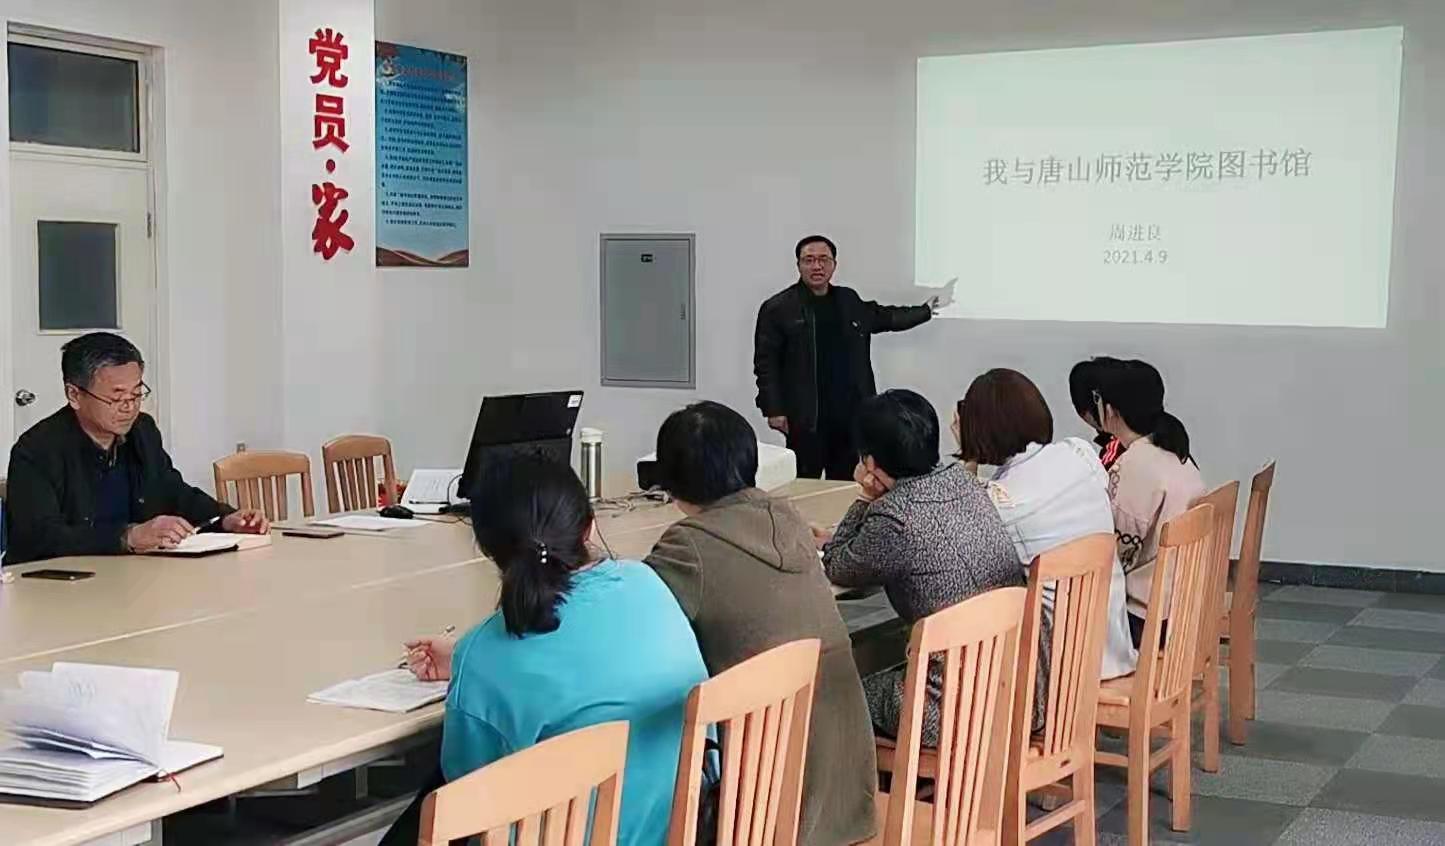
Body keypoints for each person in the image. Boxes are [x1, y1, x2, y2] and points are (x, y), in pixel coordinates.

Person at [396, 455, 707, 846]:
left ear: (486, 548)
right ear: (588, 526)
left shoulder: (485, 656)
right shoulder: (648, 585)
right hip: (675, 832)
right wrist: (467, 656)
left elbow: (466, 804)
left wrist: (470, 659)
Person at [645, 401, 878, 846]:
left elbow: (638, 617)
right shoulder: (787, 518)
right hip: (848, 797)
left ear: (671, 481)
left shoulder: (687, 547)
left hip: (768, 814)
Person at [820, 389, 1020, 744]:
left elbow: (836, 564)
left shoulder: (894, 516)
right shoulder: (961, 479)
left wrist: (865, 496)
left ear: (870, 461)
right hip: (1008, 686)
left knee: (828, 696)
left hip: (949, 709)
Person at [4, 332, 268, 564]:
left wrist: (226, 519)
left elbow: (174, 492)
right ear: (74, 395)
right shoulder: (37, 450)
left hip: (131, 575)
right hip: (57, 585)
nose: (129, 407)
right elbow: (40, 537)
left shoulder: (142, 430)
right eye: (117, 397)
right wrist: (128, 537)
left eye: (136, 394)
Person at [953, 368, 1138, 681]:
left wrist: (968, 458)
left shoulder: (1001, 502)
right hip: (1115, 648)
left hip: (1059, 675)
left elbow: (957, 535)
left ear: (977, 428)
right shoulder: (1079, 453)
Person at [754, 235, 942, 480]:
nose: (817, 266)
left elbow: (884, 317)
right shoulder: (778, 308)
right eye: (809, 260)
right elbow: (765, 363)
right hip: (806, 416)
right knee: (803, 482)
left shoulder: (848, 300)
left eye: (824, 259)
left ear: (834, 264)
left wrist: (924, 311)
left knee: (845, 482)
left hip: (850, 414)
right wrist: (774, 409)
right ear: (798, 265)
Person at [1071, 358, 1205, 645]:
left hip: (1145, 619)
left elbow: (1115, 554)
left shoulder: (1134, 465)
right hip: (1182, 606)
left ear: (1109, 410)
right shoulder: (1175, 451)